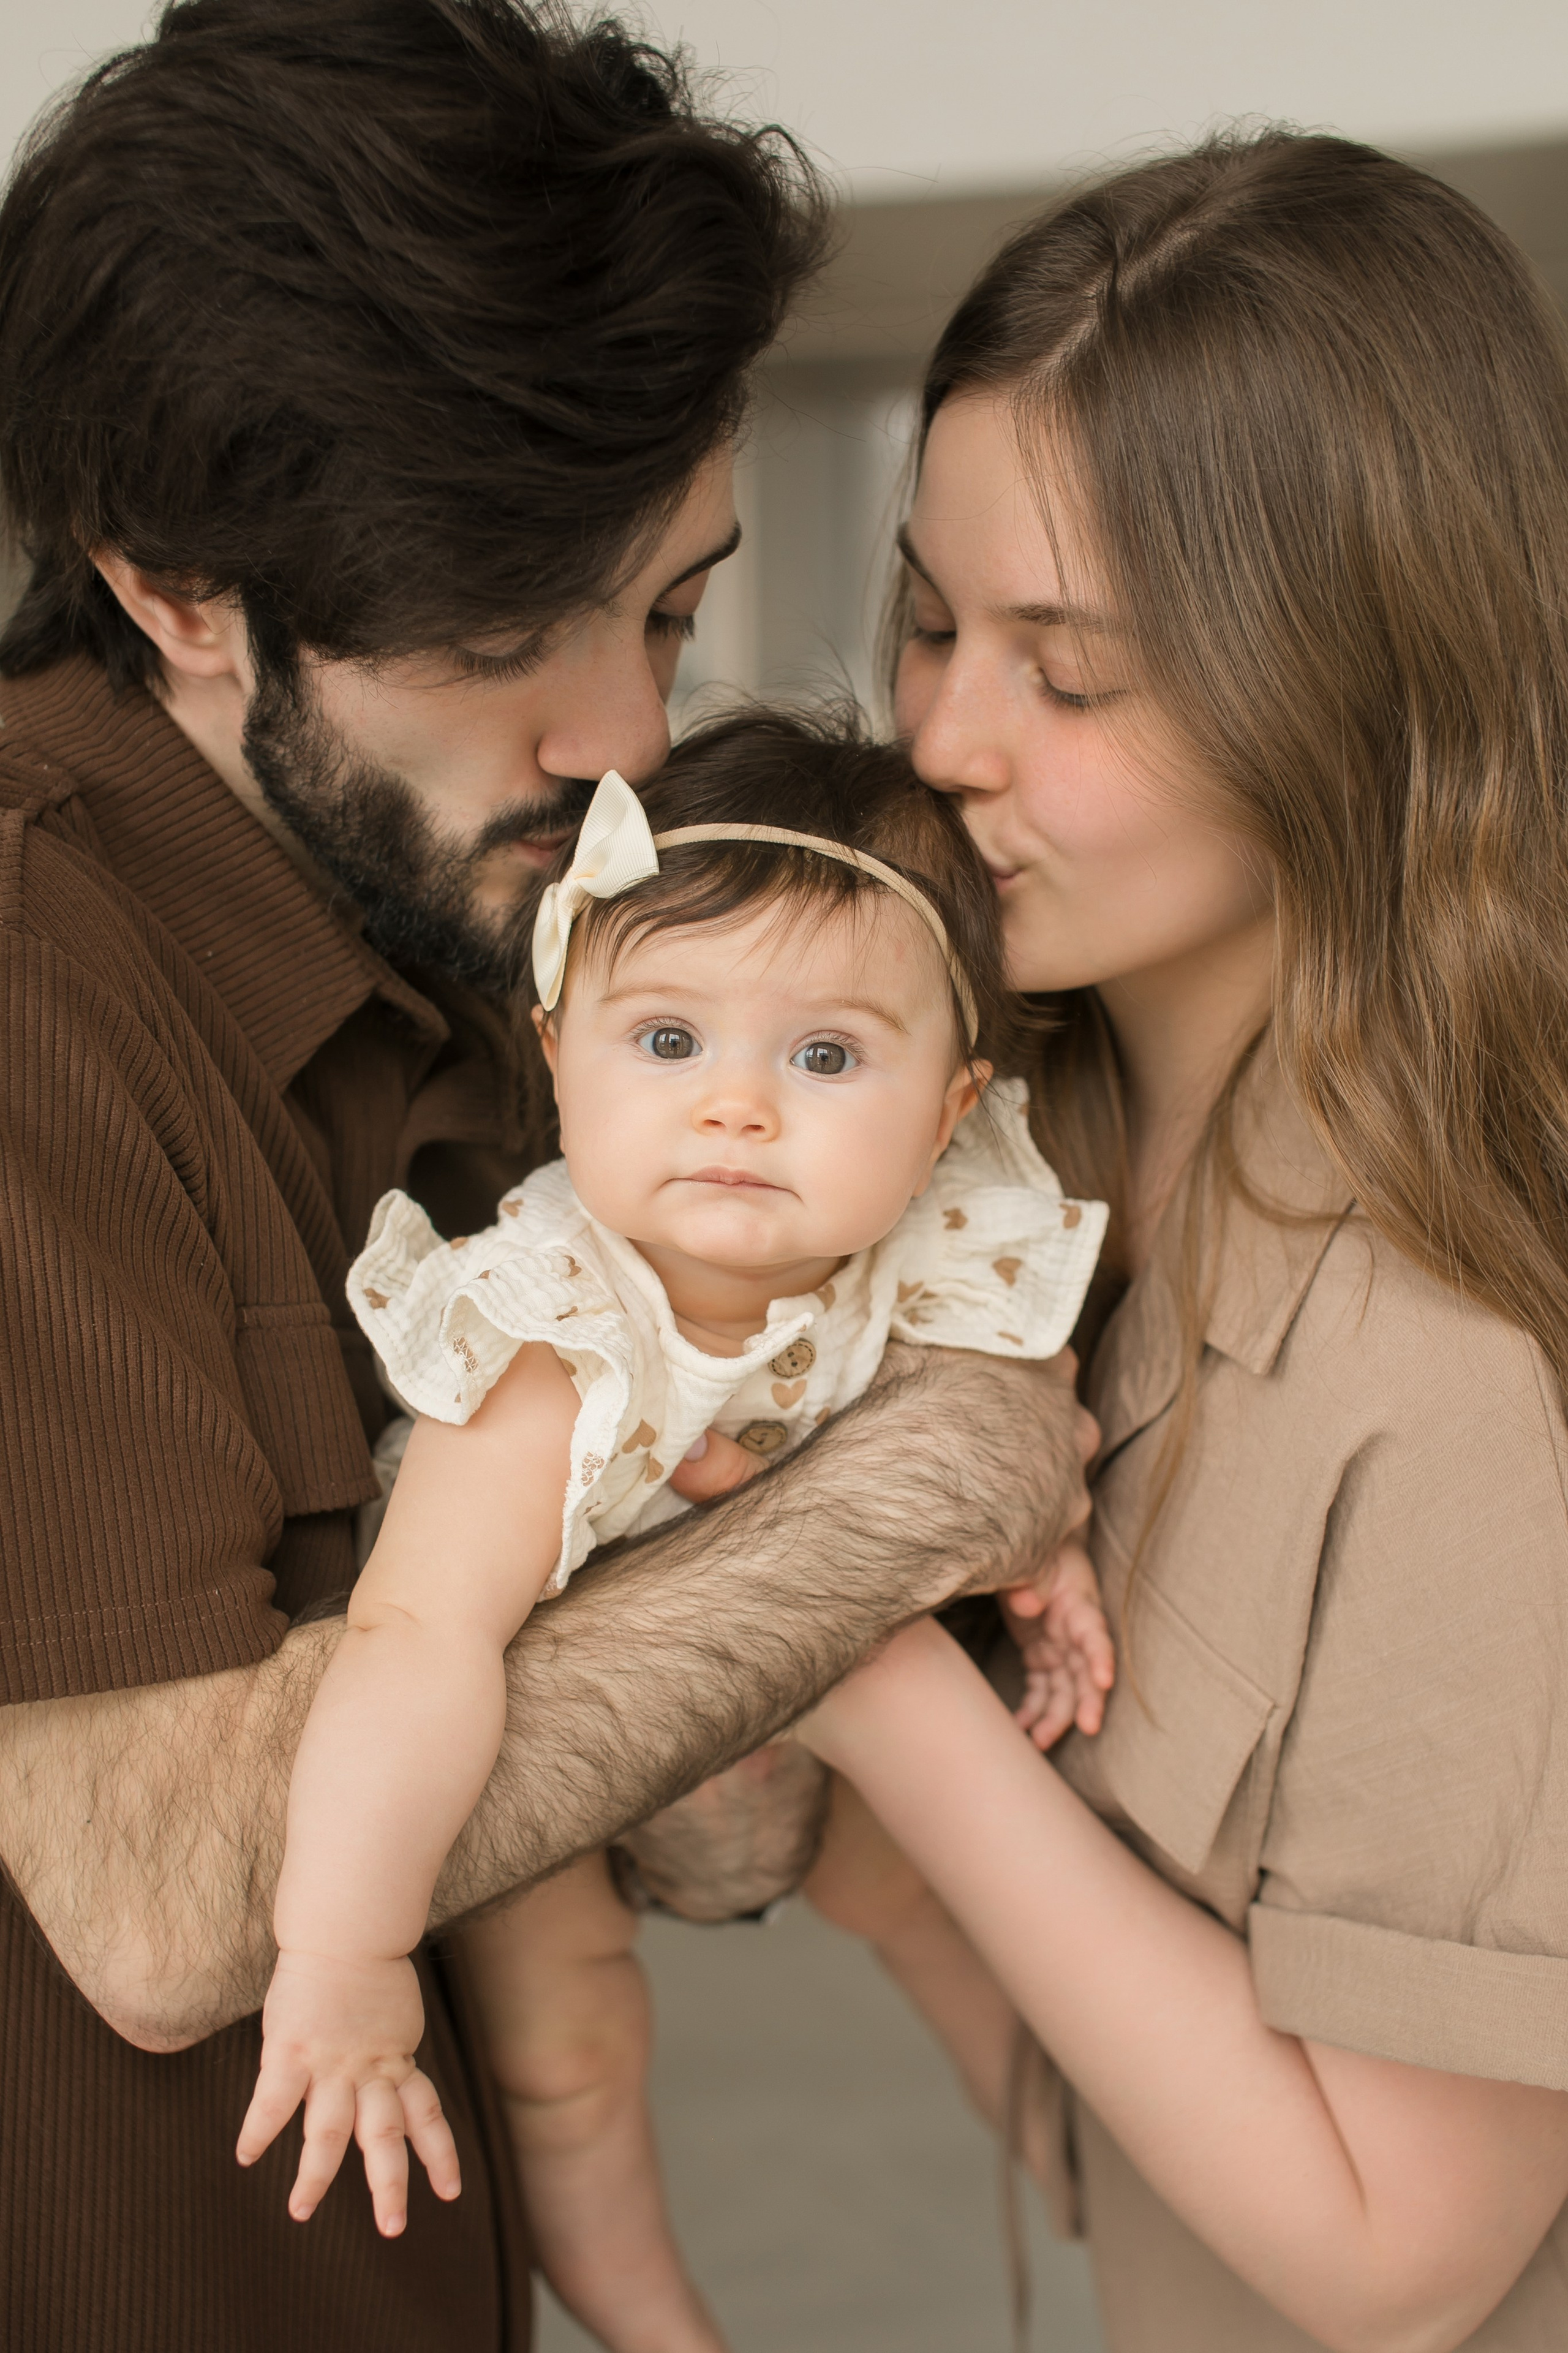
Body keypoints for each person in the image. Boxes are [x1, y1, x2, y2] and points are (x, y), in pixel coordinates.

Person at [0, 9, 1092, 2351]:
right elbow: (174, 1906)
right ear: (182, 587)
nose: (628, 751)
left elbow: (719, 1834)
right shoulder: (29, 971)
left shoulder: (514, 940)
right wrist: (903, 1490)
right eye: (511, 639)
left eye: (673, 610)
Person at [793, 129, 1568, 2352]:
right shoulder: (1044, 1189)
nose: (942, 734)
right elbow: (1129, 2110)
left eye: (1074, 670)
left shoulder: (1461, 1358)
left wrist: (841, 1658)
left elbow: (1399, 2252)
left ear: (1350, 679)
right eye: (934, 622)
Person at [237, 712, 1114, 2352]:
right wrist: (345, 1948)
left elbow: (1005, 1386)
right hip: (533, 1750)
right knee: (563, 2053)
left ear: (949, 1109)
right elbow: (413, 1642)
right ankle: (666, 2333)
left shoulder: (930, 1234)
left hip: (793, 1709)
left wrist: (1042, 1555)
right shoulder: (552, 1336)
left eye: (828, 1057)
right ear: (558, 1051)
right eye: (666, 1041)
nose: (738, 1110)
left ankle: (1093, 2169)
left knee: (930, 1892)